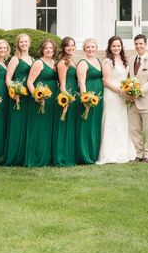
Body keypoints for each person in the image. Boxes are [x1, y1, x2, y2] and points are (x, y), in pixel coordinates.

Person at [96, 36, 136, 164]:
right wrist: (121, 92)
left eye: (118, 46)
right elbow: (106, 81)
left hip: (122, 96)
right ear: (109, 47)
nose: (116, 48)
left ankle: (122, 151)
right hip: (112, 96)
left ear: (121, 46)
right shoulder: (108, 61)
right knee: (111, 122)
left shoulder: (124, 60)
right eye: (114, 46)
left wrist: (129, 89)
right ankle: (109, 153)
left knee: (121, 122)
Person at [25, 39, 58, 167]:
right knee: (39, 128)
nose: (49, 50)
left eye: (51, 48)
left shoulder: (54, 63)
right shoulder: (39, 63)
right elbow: (29, 82)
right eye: (46, 48)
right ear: (42, 50)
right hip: (40, 98)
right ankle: (36, 157)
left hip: (52, 97)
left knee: (49, 127)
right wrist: (36, 96)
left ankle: (47, 156)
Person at [127, 34, 148, 162]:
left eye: (141, 44)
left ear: (146, 44)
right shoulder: (130, 60)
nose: (139, 46)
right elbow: (129, 79)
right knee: (134, 129)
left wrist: (137, 92)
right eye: (136, 44)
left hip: (147, 101)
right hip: (132, 102)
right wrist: (129, 93)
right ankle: (138, 153)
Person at [3, 33, 33, 167]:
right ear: (18, 44)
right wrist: (14, 92)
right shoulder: (15, 59)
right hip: (18, 96)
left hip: (30, 96)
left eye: (26, 42)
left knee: (28, 124)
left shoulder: (33, 59)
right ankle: (14, 155)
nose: (24, 44)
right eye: (21, 42)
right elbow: (8, 79)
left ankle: (25, 155)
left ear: (29, 43)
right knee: (17, 124)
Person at [76, 38, 103, 164]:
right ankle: (85, 154)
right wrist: (85, 98)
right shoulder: (83, 62)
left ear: (96, 49)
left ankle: (94, 152)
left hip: (99, 95)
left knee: (96, 124)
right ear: (84, 49)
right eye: (88, 47)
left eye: (93, 47)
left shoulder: (98, 60)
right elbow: (81, 82)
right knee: (87, 124)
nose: (91, 49)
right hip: (89, 95)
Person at [53, 36, 78, 167]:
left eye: (72, 45)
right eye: (68, 45)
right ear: (63, 47)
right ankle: (61, 156)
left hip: (74, 92)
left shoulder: (72, 60)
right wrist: (65, 100)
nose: (70, 47)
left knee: (70, 125)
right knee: (64, 125)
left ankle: (70, 154)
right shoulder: (63, 62)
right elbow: (62, 83)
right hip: (66, 93)